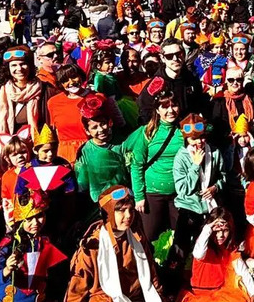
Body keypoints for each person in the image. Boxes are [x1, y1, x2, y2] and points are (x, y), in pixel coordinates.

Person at [63, 185, 169, 302]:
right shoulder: (91, 247)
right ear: (107, 213)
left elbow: (150, 274)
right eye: (120, 211)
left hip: (134, 296)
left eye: (130, 210)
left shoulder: (135, 235)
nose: (128, 216)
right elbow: (74, 296)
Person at [176, 207, 254, 302]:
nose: (220, 235)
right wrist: (208, 228)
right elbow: (198, 254)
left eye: (225, 230)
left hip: (220, 292)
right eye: (216, 231)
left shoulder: (229, 248)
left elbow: (243, 271)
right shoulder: (203, 247)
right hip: (201, 294)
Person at [124, 88, 183, 242]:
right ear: (157, 109)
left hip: (179, 193)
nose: (171, 110)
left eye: (174, 105)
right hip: (153, 194)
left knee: (179, 238)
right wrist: (139, 197)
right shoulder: (148, 132)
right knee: (149, 237)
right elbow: (136, 166)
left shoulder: (185, 130)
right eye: (165, 106)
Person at [172, 114, 229, 261]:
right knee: (182, 248)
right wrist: (195, 165)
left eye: (202, 137)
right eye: (194, 139)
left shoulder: (215, 152)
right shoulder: (181, 157)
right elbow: (182, 189)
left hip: (211, 208)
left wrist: (215, 188)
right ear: (186, 139)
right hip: (189, 208)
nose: (199, 142)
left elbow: (223, 176)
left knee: (210, 248)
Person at [0, 47, 54, 139]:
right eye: (14, 65)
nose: (19, 69)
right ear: (7, 68)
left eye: (23, 64)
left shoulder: (46, 90)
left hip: (38, 146)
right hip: (8, 148)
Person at [74, 93, 130, 205]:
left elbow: (131, 169)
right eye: (94, 127)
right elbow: (82, 181)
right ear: (87, 131)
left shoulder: (122, 143)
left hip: (124, 194)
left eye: (103, 124)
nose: (100, 129)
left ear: (110, 123)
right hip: (100, 198)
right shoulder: (85, 151)